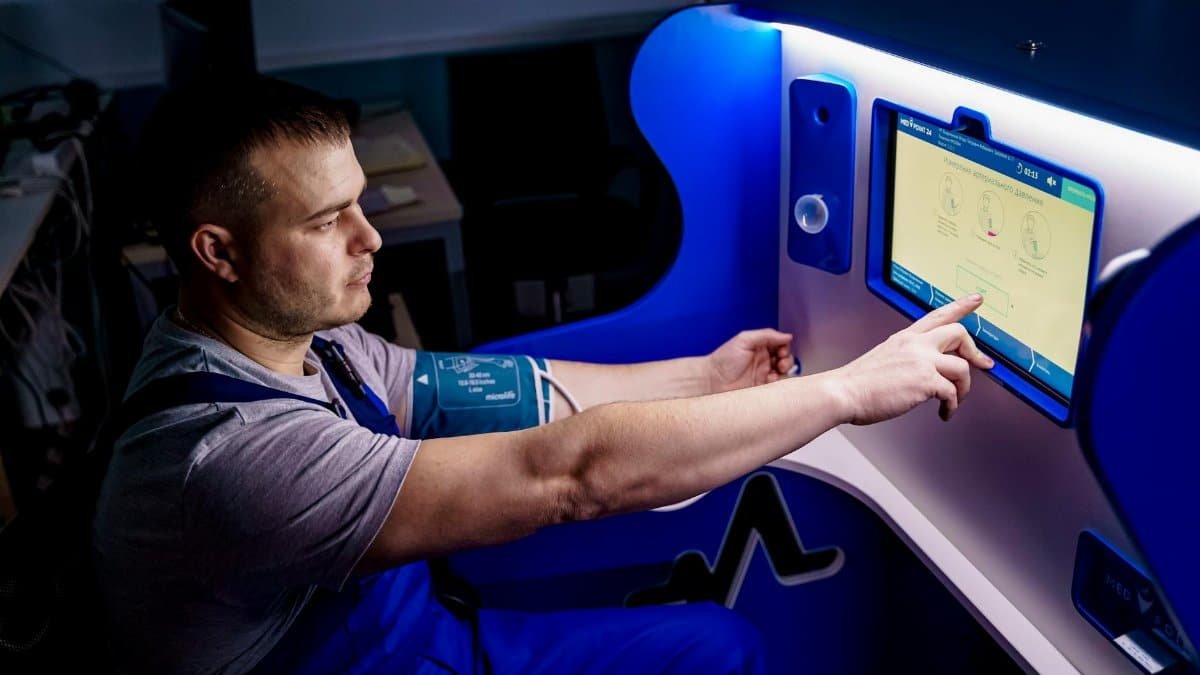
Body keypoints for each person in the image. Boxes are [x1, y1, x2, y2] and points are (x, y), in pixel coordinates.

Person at [91, 77, 993, 675]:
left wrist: (707, 378)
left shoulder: (307, 342)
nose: (371, 237)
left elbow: (517, 391)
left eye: (361, 202)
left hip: (430, 642)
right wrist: (849, 390)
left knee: (715, 647)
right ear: (220, 253)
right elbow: (567, 473)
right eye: (328, 220)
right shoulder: (234, 459)